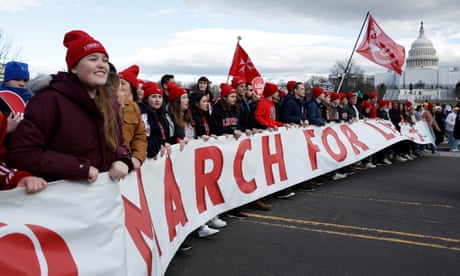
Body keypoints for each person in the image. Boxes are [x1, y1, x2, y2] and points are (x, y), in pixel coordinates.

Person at [7, 30, 133, 182]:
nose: (101, 65)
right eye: (93, 59)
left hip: (103, 200)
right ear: (74, 67)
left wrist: (123, 159)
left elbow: (118, 144)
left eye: (105, 60)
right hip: (61, 200)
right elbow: (22, 153)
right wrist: (79, 168)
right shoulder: (49, 100)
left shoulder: (110, 103)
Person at [118, 65, 147, 170]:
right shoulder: (106, 104)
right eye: (117, 82)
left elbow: (140, 135)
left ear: (132, 88)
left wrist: (137, 157)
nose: (118, 86)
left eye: (122, 83)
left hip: (127, 164)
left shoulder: (134, 108)